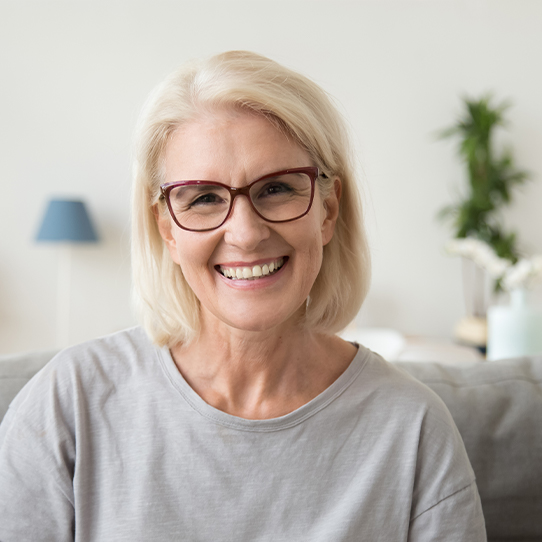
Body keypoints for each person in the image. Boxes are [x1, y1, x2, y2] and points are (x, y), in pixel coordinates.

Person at [0, 51, 486, 541]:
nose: (247, 233)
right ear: (166, 227)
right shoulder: (69, 403)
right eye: (204, 198)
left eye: (276, 188)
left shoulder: (413, 429)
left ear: (328, 211)